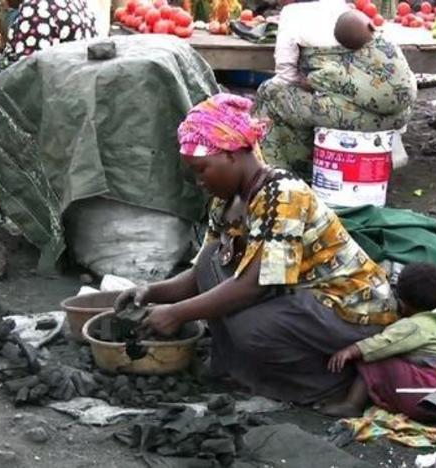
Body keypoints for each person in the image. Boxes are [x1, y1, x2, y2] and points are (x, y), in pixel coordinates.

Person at [114, 93, 398, 405]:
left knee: (250, 327)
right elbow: (200, 274)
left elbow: (256, 286)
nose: (199, 182)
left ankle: (332, 383)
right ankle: (236, 370)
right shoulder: (226, 200)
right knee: (211, 260)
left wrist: (177, 314)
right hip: (300, 298)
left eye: (201, 169)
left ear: (232, 155)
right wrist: (149, 291)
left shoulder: (283, 195)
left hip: (351, 309)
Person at [253, 6, 417, 180]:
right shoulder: (363, 22)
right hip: (399, 116)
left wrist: (307, 82)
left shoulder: (292, 14)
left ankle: (278, 175)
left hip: (358, 119)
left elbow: (286, 75)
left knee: (270, 92)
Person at [323, 262, 436, 422]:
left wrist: (352, 350)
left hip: (424, 396)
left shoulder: (413, 325)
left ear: (402, 303)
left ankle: (351, 404)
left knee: (375, 356)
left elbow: (382, 344)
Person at [0, 0, 98, 92]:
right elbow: (9, 58)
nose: (4, 4)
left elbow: (24, 76)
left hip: (54, 93)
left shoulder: (36, 8)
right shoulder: (76, 2)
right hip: (76, 87)